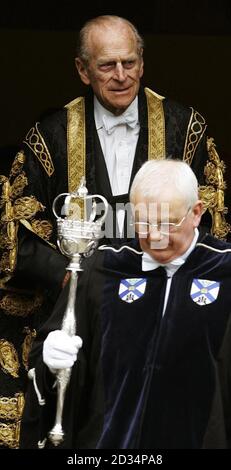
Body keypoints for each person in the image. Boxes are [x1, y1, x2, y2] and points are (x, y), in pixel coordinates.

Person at [0, 15, 229, 448]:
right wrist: (83, 284)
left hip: (171, 303)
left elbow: (214, 222)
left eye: (129, 62)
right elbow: (19, 235)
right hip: (83, 314)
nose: (121, 76)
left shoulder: (188, 129)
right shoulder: (48, 138)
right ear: (83, 70)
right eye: (107, 66)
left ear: (142, 63)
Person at [20, 160, 231, 449]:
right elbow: (55, 369)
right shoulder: (103, 268)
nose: (155, 237)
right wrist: (50, 359)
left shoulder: (225, 270)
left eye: (167, 222)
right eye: (144, 222)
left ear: (196, 213)